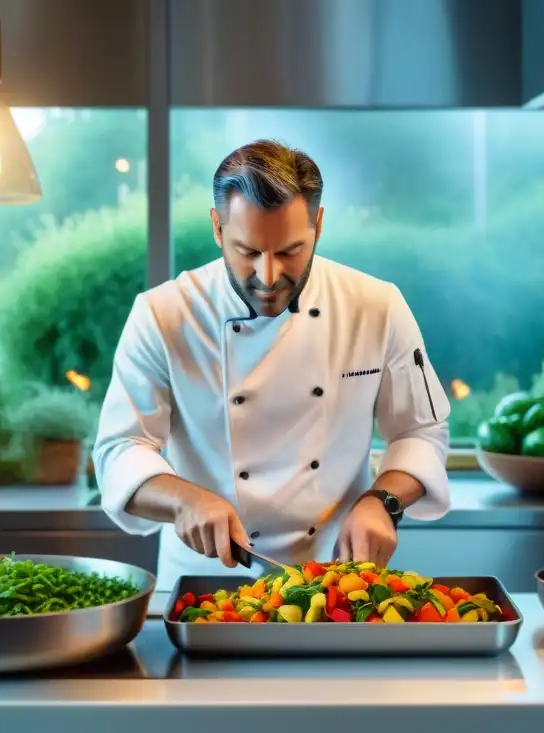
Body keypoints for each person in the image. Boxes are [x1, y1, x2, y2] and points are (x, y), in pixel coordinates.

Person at [93, 139, 451, 591]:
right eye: (247, 251)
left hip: (339, 583)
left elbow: (420, 431)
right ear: (217, 229)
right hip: (208, 581)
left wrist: (383, 501)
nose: (267, 276)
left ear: (318, 224)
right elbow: (119, 449)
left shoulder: (376, 306)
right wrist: (183, 501)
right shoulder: (163, 314)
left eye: (288, 251)